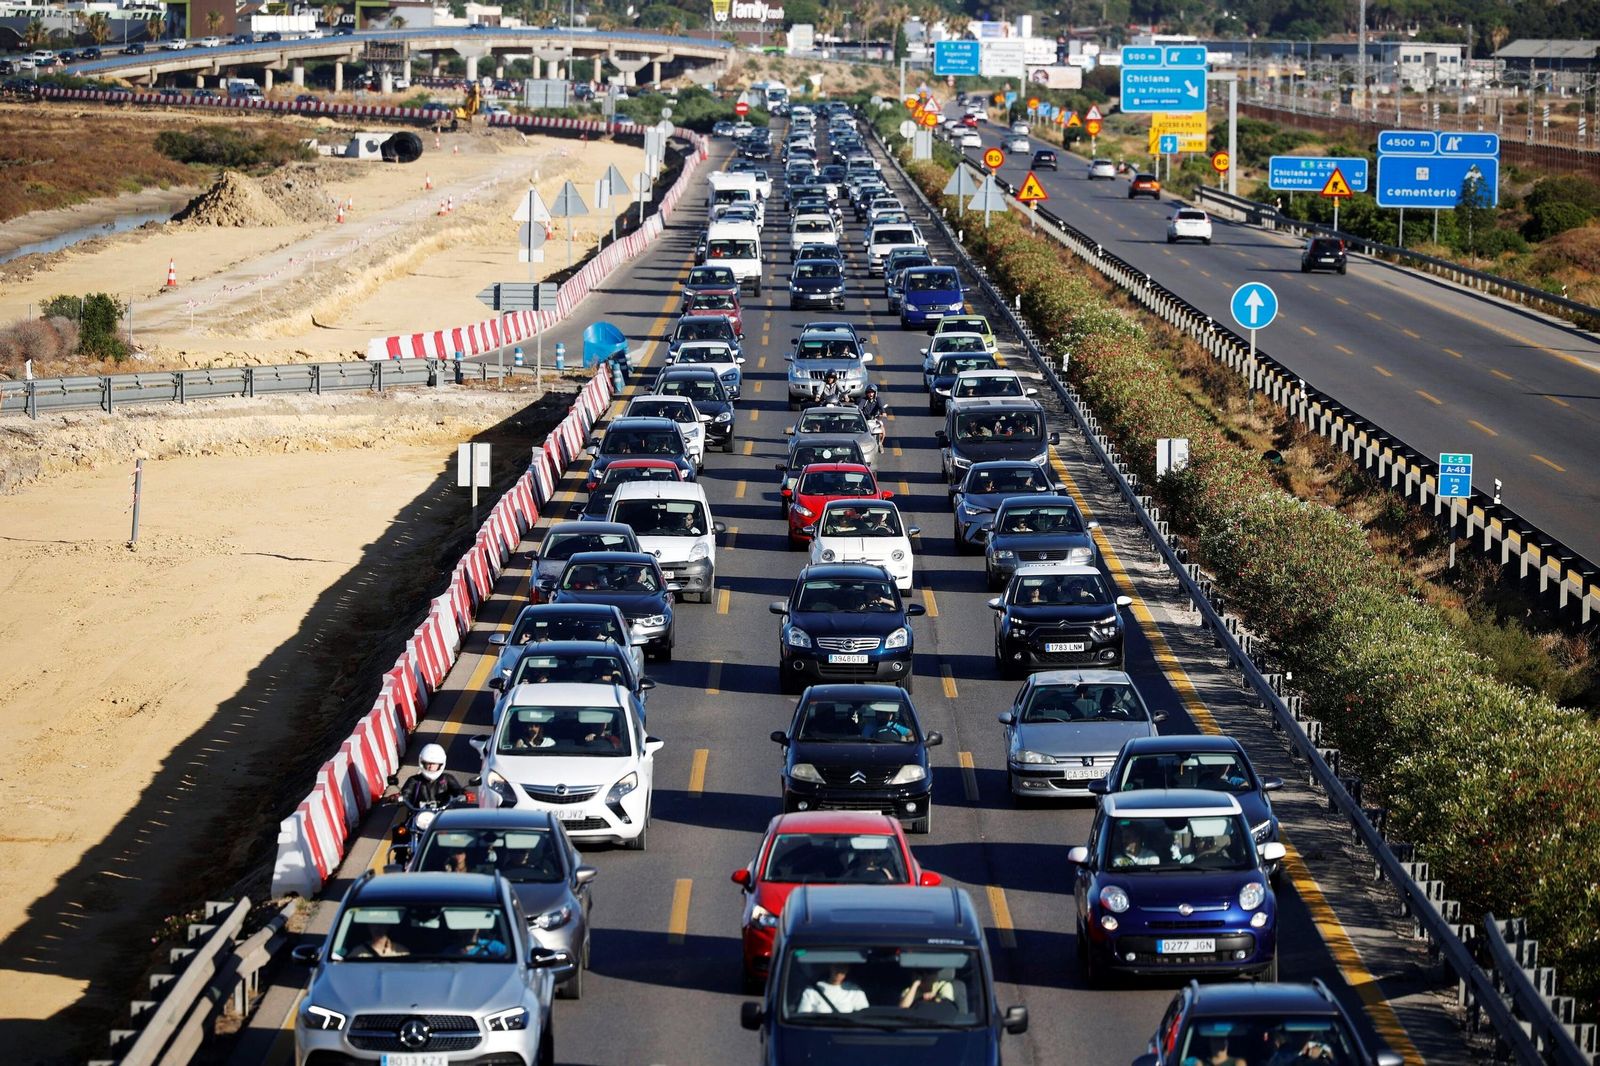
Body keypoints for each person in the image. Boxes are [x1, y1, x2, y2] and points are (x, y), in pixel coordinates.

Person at [400, 743, 468, 808]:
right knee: (408, 820)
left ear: (441, 765)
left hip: (443, 814)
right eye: (428, 764)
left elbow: (457, 789)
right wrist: (399, 798)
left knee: (460, 820)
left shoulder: (447, 779)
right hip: (419, 814)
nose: (431, 767)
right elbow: (406, 793)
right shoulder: (414, 780)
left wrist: (464, 793)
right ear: (423, 763)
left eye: (434, 764)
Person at [796, 963, 870, 1013]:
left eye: (842, 968)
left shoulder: (854, 990)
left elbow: (864, 1015)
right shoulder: (812, 990)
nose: (839, 972)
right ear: (830, 967)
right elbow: (803, 1015)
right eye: (837, 966)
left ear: (847, 969)